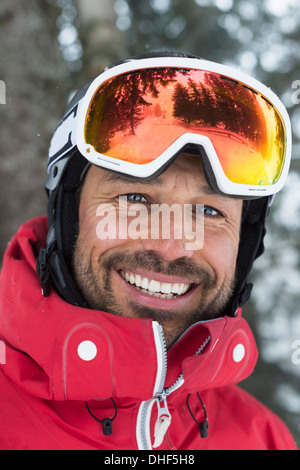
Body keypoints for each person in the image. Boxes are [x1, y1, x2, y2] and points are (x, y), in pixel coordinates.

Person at [0, 52, 297, 450]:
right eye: (135, 197)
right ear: (67, 214)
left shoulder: (263, 438)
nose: (173, 246)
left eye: (209, 211)